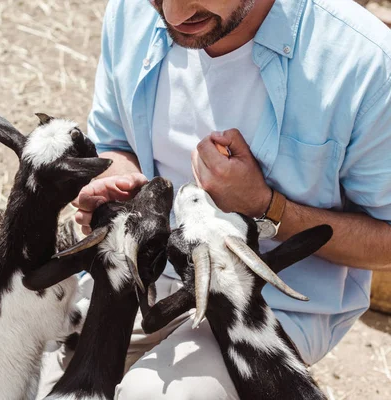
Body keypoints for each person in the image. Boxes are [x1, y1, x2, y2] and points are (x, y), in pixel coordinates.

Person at [37, 0, 391, 398]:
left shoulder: (365, 62)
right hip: (138, 279)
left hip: (260, 306)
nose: (172, 16)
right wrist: (118, 190)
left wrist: (268, 205)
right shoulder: (130, 11)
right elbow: (113, 143)